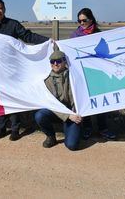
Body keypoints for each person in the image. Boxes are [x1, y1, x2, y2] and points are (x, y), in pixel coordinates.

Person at [0, 0, 49, 141]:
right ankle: (1, 128)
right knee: (0, 99)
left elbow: (27, 36)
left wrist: (47, 41)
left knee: (13, 98)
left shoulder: (13, 25)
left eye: (0, 8)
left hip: (12, 69)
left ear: (4, 10)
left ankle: (15, 129)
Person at [70, 8, 116, 141]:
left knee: (101, 100)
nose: (82, 23)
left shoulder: (99, 35)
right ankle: (88, 128)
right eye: (79, 21)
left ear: (91, 19)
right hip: (83, 73)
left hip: (99, 74)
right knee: (86, 100)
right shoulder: (75, 36)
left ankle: (103, 129)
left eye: (84, 20)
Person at [34, 50, 82, 150]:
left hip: (73, 113)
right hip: (56, 112)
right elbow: (49, 103)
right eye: (52, 61)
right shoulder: (47, 80)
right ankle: (51, 136)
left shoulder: (74, 75)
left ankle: (77, 129)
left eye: (58, 61)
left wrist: (76, 114)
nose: (55, 64)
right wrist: (67, 115)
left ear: (65, 61)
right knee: (40, 115)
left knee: (72, 145)